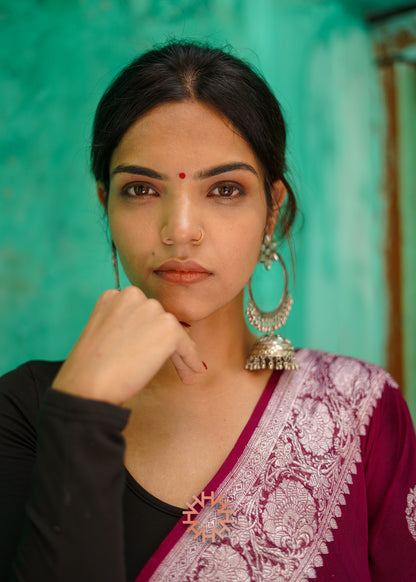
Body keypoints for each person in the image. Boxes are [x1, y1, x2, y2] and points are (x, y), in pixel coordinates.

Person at [1, 41, 416, 582]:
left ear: (273, 210)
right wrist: (84, 412)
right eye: (142, 188)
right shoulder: (25, 412)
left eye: (224, 188)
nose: (180, 230)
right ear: (106, 204)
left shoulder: (356, 409)